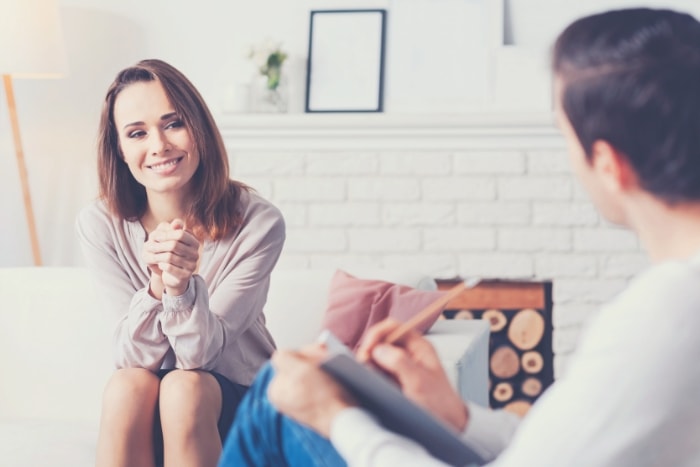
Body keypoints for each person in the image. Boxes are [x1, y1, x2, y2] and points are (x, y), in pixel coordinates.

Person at [218, 7, 700, 466]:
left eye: (564, 135)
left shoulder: (665, 317)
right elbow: (554, 453)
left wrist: (335, 415)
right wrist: (456, 415)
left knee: (275, 396)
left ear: (608, 164)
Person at [75, 59, 285, 467]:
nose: (159, 146)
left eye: (173, 124)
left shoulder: (259, 222)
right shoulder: (99, 224)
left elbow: (201, 355)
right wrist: (158, 286)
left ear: (199, 129)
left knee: (184, 388)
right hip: (148, 404)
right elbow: (131, 355)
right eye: (137, 133)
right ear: (119, 149)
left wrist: (180, 288)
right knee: (126, 385)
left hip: (237, 406)